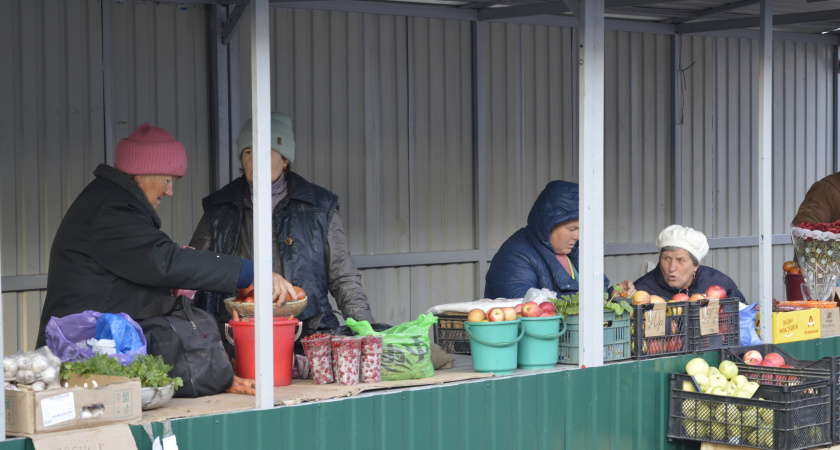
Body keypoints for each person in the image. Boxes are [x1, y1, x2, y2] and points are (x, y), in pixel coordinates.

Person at [36, 123, 296, 348]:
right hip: (80, 350)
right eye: (168, 180)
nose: (170, 191)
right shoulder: (111, 211)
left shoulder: (110, 202)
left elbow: (139, 268)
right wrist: (248, 272)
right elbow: (164, 261)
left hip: (92, 346)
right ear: (144, 173)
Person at [189, 112, 375, 346]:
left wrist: (368, 332)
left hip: (308, 337)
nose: (255, 160)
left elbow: (343, 278)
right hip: (238, 339)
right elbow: (193, 269)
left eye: (266, 152)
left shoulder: (319, 206)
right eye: (248, 152)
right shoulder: (219, 207)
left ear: (286, 159)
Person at [483, 180, 636, 300]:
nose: (577, 236)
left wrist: (611, 294)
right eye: (572, 229)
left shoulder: (573, 250)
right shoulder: (514, 258)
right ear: (549, 224)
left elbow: (587, 294)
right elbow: (526, 310)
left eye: (581, 229)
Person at [633, 224, 745, 301]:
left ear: (695, 265)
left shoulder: (721, 284)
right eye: (666, 259)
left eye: (680, 260)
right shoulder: (643, 290)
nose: (672, 268)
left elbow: (745, 318)